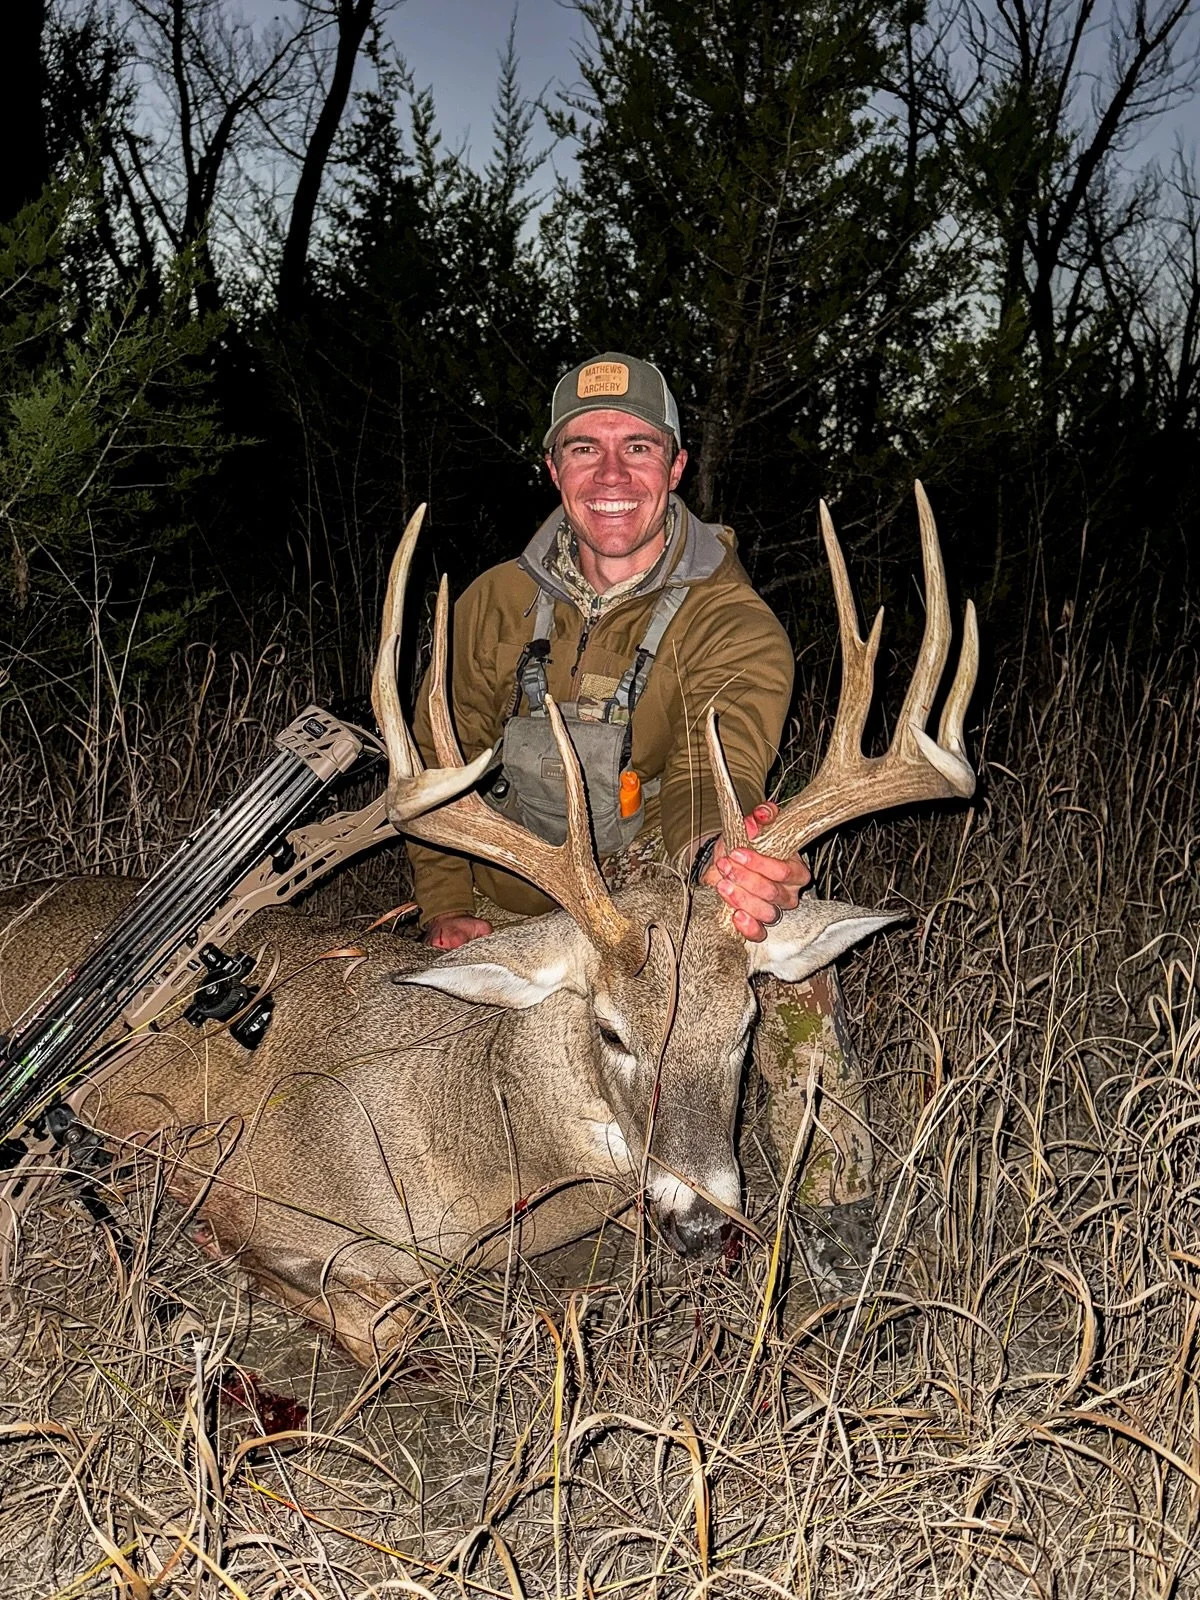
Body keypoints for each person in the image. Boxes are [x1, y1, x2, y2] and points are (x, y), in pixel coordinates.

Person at [407, 352, 874, 1288]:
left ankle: (836, 1235)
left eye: (638, 448)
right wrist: (443, 903)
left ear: (675, 466)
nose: (611, 476)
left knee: (772, 965)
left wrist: (724, 858)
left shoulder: (732, 624)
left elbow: (714, 768)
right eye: (584, 449)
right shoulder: (494, 603)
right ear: (553, 469)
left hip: (661, 909)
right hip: (526, 919)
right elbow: (439, 764)